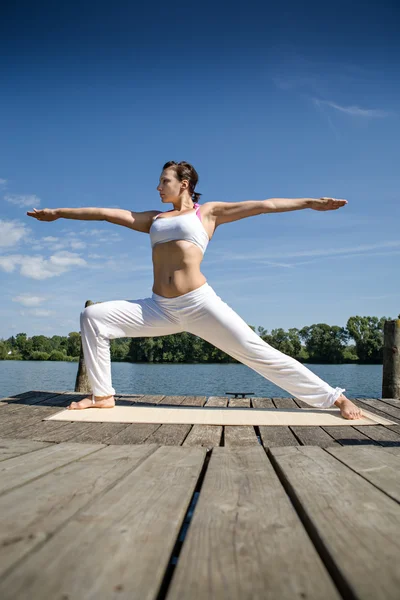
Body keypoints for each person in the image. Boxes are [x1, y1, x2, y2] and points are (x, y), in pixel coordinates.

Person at [27, 160, 362, 419]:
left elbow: (265, 204)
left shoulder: (209, 213)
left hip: (200, 304)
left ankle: (335, 397)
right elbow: (103, 214)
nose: (158, 187)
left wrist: (309, 202)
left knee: (258, 352)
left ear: (183, 184)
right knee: (93, 316)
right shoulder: (153, 219)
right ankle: (102, 396)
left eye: (164, 181)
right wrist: (58, 213)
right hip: (158, 308)